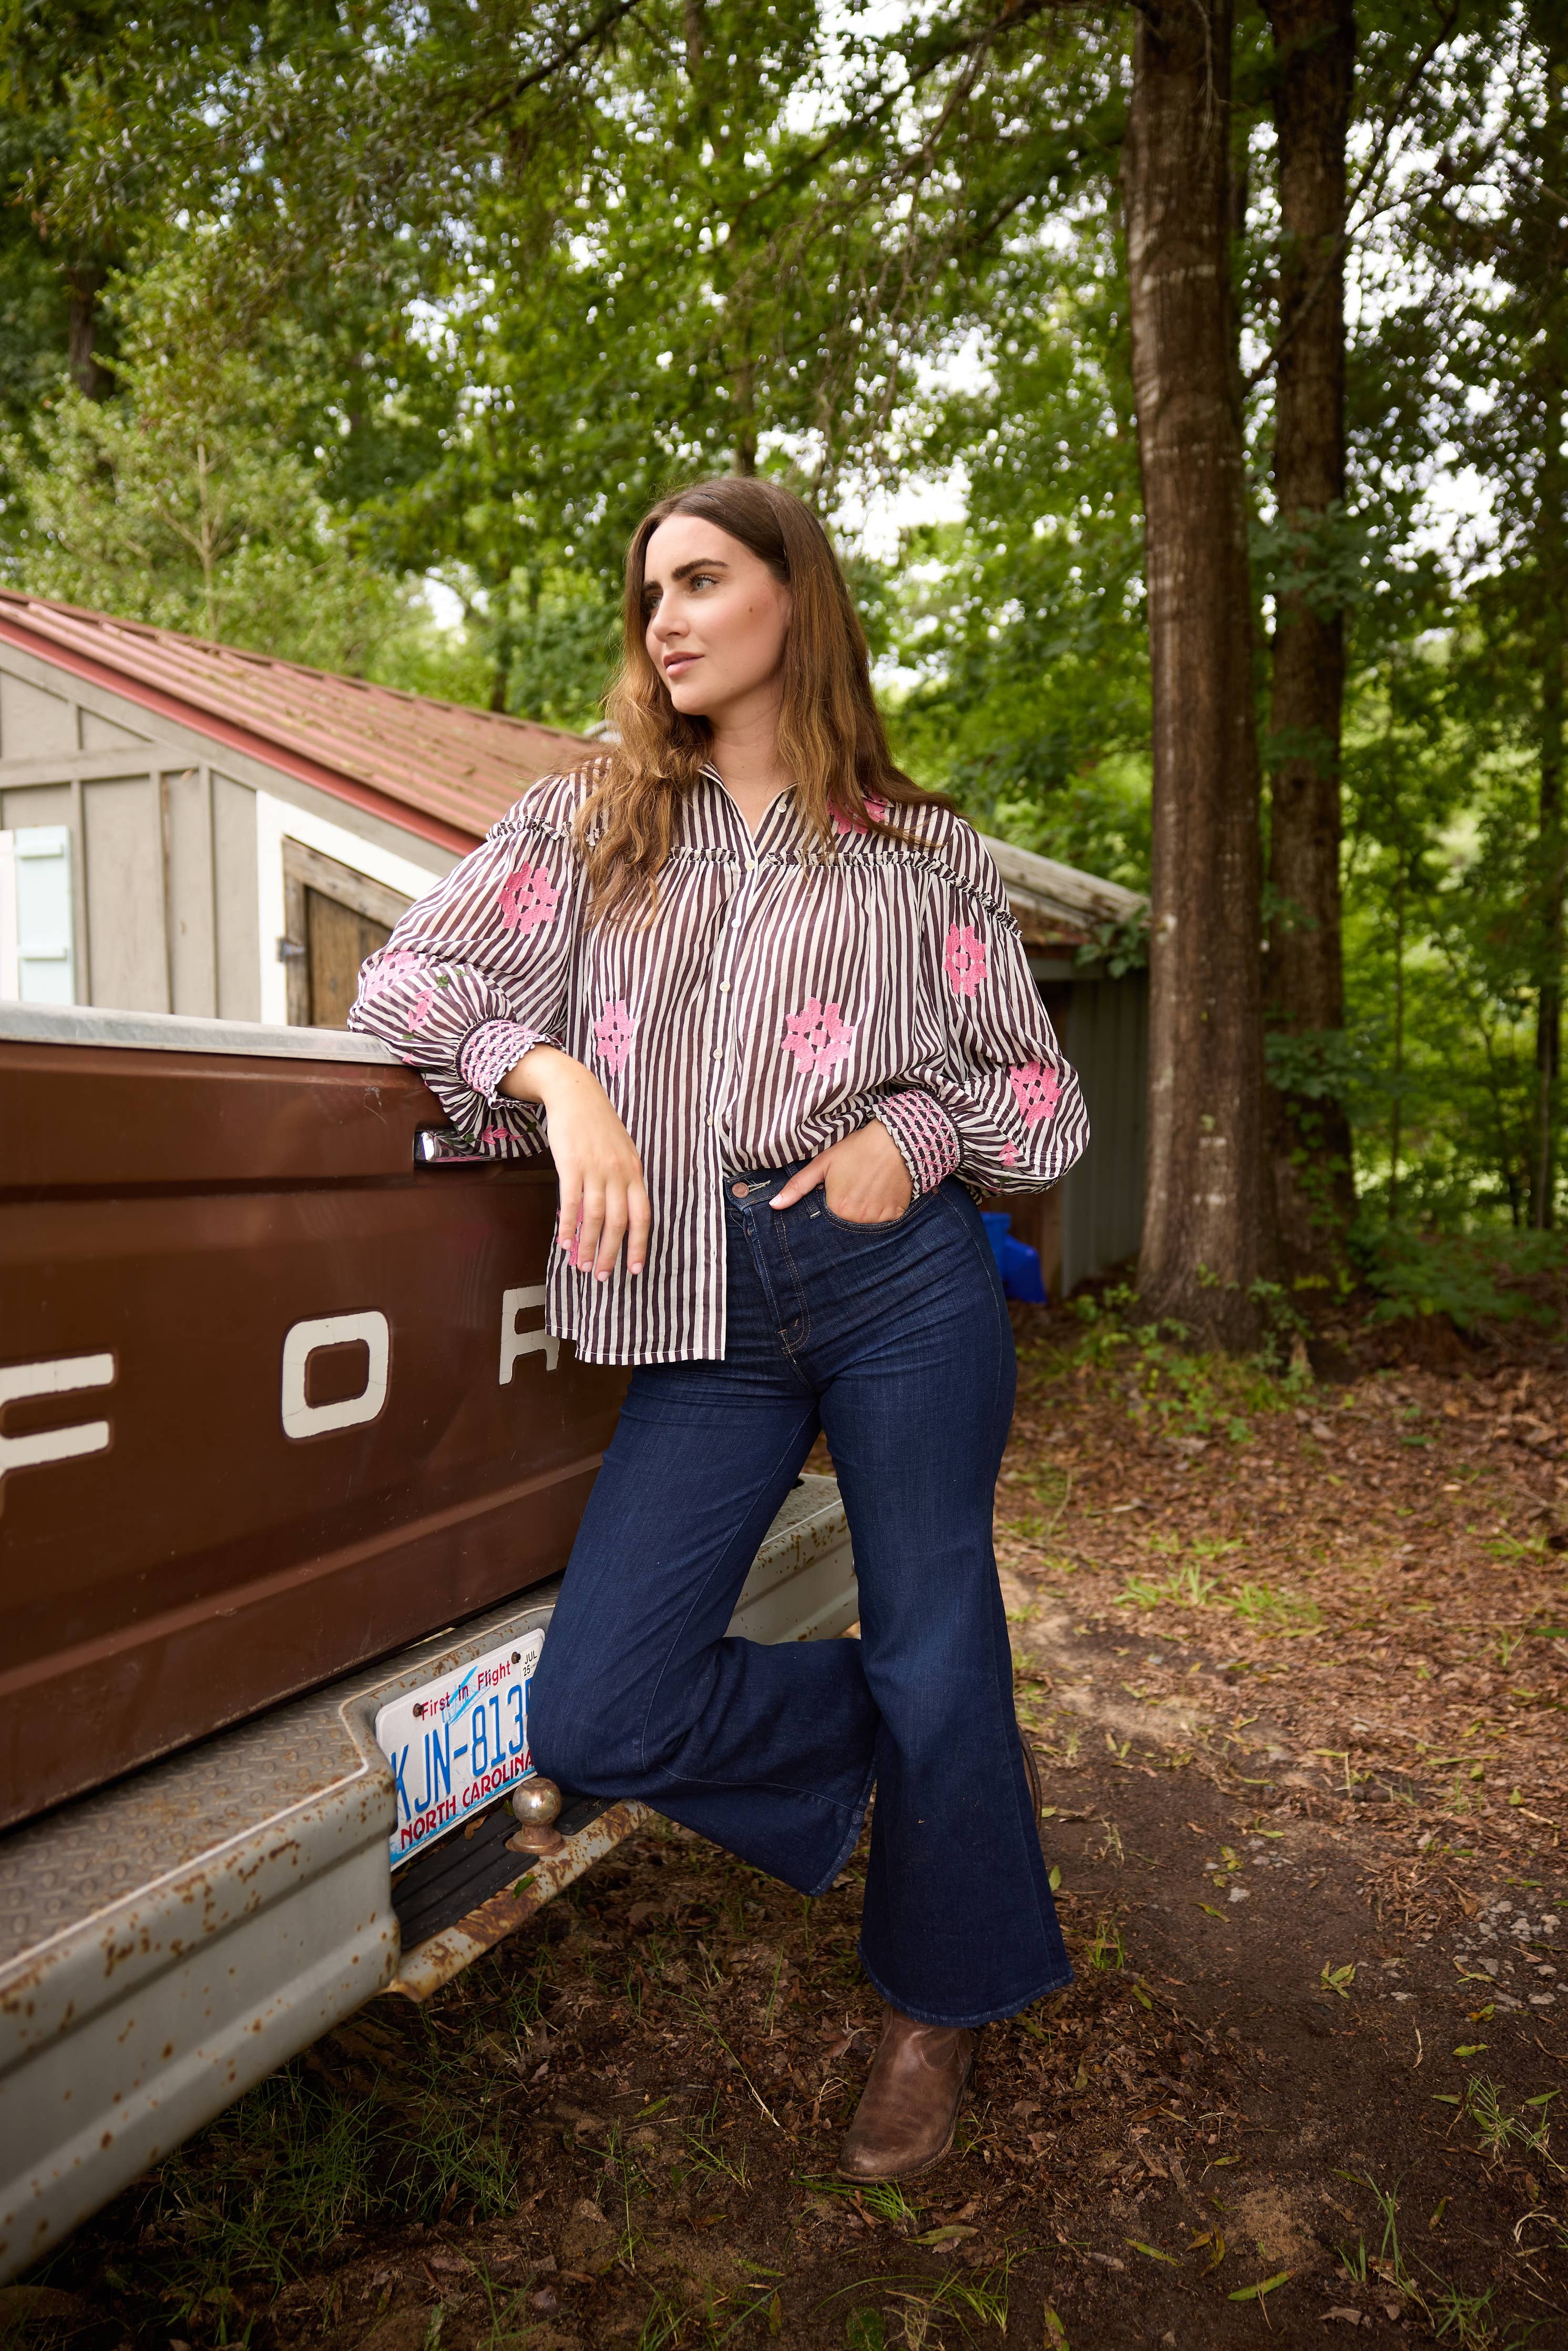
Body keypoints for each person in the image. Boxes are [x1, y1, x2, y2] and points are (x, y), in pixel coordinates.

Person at [349, 476, 1089, 2179]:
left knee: (935, 1627)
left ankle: (935, 2001)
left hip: (899, 1282)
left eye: (701, 578)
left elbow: (1039, 1103)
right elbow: (409, 985)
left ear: (792, 601)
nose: (665, 617)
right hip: (699, 1305)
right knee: (601, 1714)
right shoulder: (587, 824)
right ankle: (922, 1735)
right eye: (649, 593)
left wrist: (911, 1141)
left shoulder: (924, 854)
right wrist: (560, 1079)